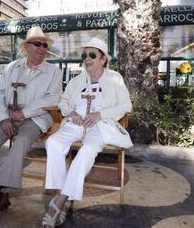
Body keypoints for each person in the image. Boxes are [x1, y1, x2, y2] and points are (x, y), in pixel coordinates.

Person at [0, 26, 63, 223]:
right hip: (8, 116)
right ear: (27, 47)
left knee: (20, 142)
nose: (41, 48)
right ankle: (0, 197)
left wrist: (25, 112)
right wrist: (3, 118)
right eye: (37, 43)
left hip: (35, 118)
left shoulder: (53, 72)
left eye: (44, 45)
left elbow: (53, 98)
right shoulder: (12, 67)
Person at [42, 37, 132, 227]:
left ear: (103, 59)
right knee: (53, 143)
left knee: (87, 150)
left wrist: (100, 115)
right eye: (85, 55)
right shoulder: (76, 80)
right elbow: (64, 102)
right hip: (75, 122)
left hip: (100, 124)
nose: (87, 59)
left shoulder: (115, 78)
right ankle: (61, 195)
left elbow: (126, 105)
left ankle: (59, 201)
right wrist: (71, 111)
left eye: (92, 55)